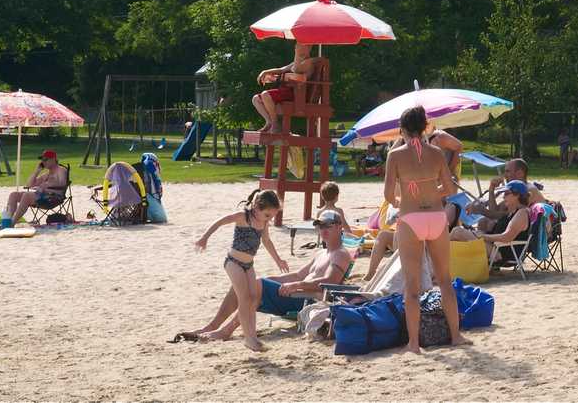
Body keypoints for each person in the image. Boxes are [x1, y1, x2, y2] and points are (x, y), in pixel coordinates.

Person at [174, 210, 352, 344]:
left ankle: (226, 331)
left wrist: (296, 285)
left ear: (338, 227)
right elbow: (298, 274)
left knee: (256, 285)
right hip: (297, 296)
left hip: (311, 303)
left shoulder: (341, 254)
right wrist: (273, 279)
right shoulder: (321, 253)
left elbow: (330, 282)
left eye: (327, 225)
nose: (323, 229)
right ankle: (212, 326)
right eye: (320, 226)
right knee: (245, 283)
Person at [384, 106, 471, 352]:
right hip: (436, 216)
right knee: (444, 280)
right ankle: (456, 336)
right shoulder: (435, 153)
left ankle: (413, 343)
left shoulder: (396, 155)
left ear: (402, 129)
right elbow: (451, 189)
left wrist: (401, 200)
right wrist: (433, 192)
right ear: (425, 128)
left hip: (411, 218)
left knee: (412, 287)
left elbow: (388, 194)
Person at [194, 189, 289, 352]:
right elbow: (220, 222)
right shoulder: (243, 216)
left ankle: (250, 336)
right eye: (267, 215)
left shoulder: (264, 223)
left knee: (253, 299)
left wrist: (278, 259)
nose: (269, 219)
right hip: (233, 263)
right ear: (257, 207)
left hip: (248, 265)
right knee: (244, 299)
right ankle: (249, 339)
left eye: (272, 216)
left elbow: (266, 241)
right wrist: (204, 237)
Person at [451, 180, 530, 263]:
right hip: (494, 247)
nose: (503, 197)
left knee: (457, 232)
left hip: (499, 253)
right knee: (459, 234)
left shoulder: (522, 213)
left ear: (517, 195)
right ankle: (443, 260)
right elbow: (493, 213)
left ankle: (438, 255)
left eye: (506, 194)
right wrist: (480, 233)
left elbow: (507, 237)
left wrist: (483, 236)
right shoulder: (511, 212)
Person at [252, 43, 317, 133]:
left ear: (309, 48)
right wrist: (265, 72)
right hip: (284, 91)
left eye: (302, 46)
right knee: (256, 99)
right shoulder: (295, 63)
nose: (298, 48)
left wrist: (281, 77)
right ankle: (269, 122)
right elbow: (281, 70)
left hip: (296, 94)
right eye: (297, 46)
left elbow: (302, 77)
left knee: (265, 95)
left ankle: (275, 124)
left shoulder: (309, 63)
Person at [466, 158, 545, 232]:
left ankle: (485, 244)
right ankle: (482, 245)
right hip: (518, 227)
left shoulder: (527, 190)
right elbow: (495, 211)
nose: (504, 175)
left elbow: (507, 216)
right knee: (483, 221)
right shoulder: (515, 189)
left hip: (529, 231)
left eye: (508, 171)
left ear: (520, 173)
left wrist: (482, 211)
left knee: (491, 223)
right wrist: (491, 189)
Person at [5, 150, 67, 226]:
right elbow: (29, 185)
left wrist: (46, 186)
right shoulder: (46, 175)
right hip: (42, 196)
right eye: (42, 160)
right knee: (14, 195)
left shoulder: (61, 170)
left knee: (27, 195)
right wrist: (37, 171)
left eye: (45, 160)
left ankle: (12, 222)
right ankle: (7, 220)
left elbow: (62, 182)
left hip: (53, 198)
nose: (43, 162)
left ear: (53, 159)